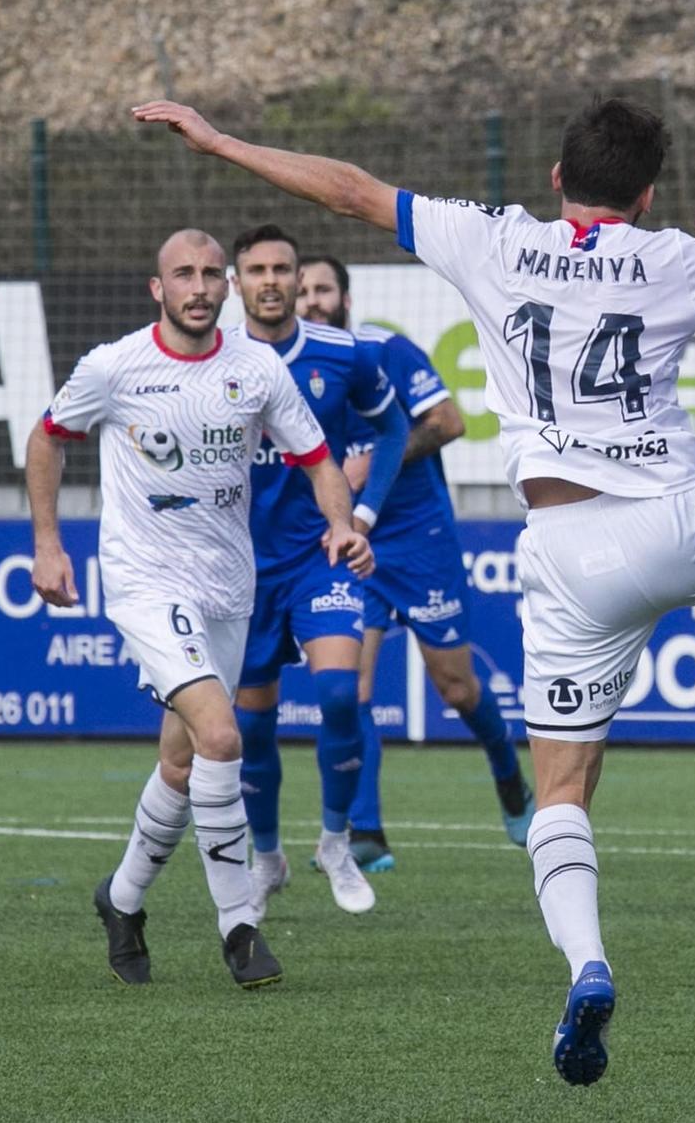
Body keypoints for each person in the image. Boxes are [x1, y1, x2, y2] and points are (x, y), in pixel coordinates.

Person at [135, 93, 695, 1086]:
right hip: (680, 517)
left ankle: (587, 963)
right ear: (643, 191)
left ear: (554, 180)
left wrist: (215, 140)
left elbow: (348, 188)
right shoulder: (675, 258)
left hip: (564, 554)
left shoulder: (491, 240)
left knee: (564, 792)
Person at [26, 227, 371, 989]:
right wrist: (47, 543)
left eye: (213, 273)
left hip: (228, 585)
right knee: (222, 735)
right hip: (146, 580)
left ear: (229, 288)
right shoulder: (114, 367)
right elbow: (46, 439)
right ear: (159, 288)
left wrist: (342, 522)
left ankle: (120, 900)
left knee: (181, 762)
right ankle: (240, 929)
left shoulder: (256, 369)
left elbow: (319, 461)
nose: (200, 285)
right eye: (184, 273)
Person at [296, 254, 536, 870]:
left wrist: (375, 461)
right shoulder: (288, 371)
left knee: (455, 687)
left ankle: (510, 776)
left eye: (322, 289)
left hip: (419, 536)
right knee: (353, 688)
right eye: (302, 292)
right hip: (351, 543)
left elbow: (447, 422)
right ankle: (368, 830)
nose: (311, 300)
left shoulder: (386, 353)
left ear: (345, 300)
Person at [228, 225, 409, 915]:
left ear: (299, 279)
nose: (271, 280)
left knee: (340, 695)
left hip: (320, 557)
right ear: (237, 282)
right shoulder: (213, 360)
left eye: (283, 268)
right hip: (241, 571)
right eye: (257, 269)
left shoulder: (342, 353)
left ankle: (336, 841)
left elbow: (394, 429)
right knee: (251, 728)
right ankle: (268, 855)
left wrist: (360, 518)